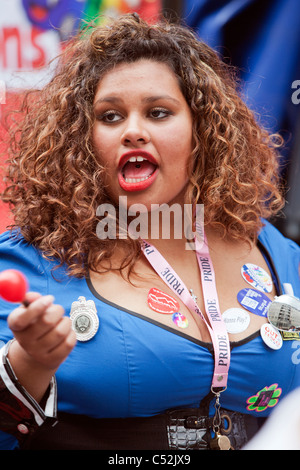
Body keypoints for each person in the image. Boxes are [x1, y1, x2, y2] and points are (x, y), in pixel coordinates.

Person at [0, 12, 299, 451]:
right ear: (83, 139)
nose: (134, 131)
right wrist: (29, 363)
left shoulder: (276, 253)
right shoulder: (27, 263)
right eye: (110, 116)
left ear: (203, 129)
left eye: (158, 113)